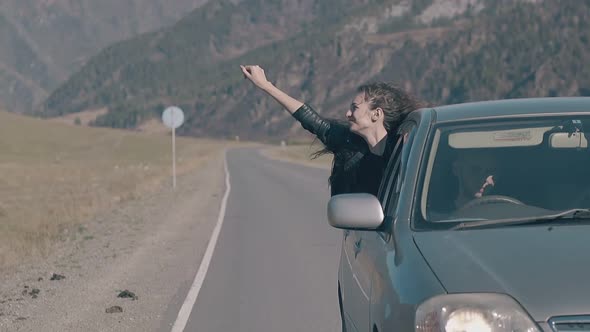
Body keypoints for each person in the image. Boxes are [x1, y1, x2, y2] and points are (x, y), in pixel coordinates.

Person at [240, 65, 425, 196]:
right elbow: (310, 119)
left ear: (376, 114)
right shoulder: (347, 142)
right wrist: (266, 86)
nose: (347, 114)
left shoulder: (408, 148)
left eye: (355, 108)